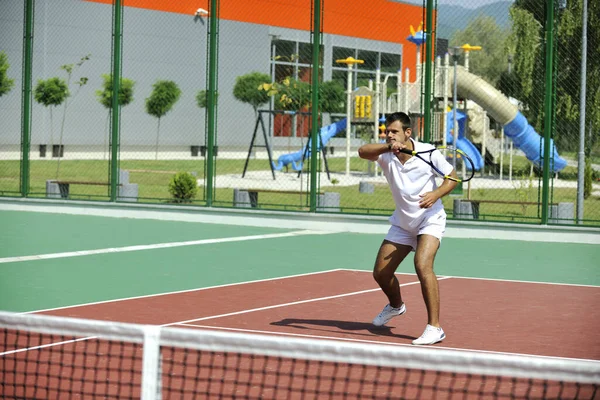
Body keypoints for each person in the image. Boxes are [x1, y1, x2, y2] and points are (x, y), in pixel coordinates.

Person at [357, 111, 458, 345]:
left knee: (422, 265)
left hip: (429, 219)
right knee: (380, 273)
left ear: (407, 132)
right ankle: (396, 306)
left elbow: (452, 177)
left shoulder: (428, 152)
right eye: (387, 131)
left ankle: (435, 328)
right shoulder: (385, 155)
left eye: (394, 132)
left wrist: (436, 194)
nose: (389, 135)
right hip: (403, 223)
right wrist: (388, 147)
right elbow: (362, 152)